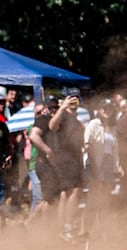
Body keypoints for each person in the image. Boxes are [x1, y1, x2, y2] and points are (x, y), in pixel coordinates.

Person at [48, 88, 86, 239]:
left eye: (76, 98)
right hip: (65, 158)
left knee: (66, 193)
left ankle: (63, 228)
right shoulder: (63, 115)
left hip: (74, 157)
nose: (73, 101)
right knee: (73, 191)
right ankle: (66, 227)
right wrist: (62, 107)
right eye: (71, 98)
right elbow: (52, 126)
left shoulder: (76, 120)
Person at [84, 98, 120, 222]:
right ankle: (87, 227)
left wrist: (117, 167)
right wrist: (93, 164)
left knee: (106, 196)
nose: (107, 111)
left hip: (108, 162)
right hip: (95, 160)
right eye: (104, 108)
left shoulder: (113, 128)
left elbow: (115, 150)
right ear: (99, 110)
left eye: (109, 108)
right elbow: (87, 144)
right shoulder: (94, 124)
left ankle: (102, 226)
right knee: (94, 195)